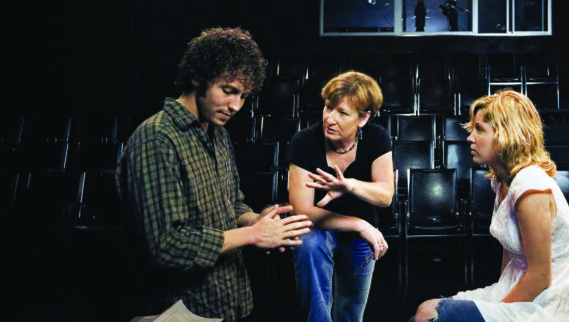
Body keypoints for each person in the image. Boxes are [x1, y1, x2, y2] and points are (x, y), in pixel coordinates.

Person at [116, 27, 312, 321]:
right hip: (177, 309)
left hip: (225, 302)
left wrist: (256, 220)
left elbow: (231, 203)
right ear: (198, 77)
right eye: (228, 91)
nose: (236, 106)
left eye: (244, 96)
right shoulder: (157, 138)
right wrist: (252, 234)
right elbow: (167, 248)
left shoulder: (218, 134)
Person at [410, 89, 569, 322]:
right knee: (425, 311)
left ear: (507, 134)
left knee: (429, 313)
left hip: (546, 305)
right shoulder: (501, 182)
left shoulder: (530, 185)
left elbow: (540, 276)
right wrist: (491, 303)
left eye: (480, 129)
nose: (470, 137)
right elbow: (510, 258)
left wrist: (493, 313)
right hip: (516, 290)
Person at [287, 70, 394, 322]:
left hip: (360, 237)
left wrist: (350, 186)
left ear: (363, 118)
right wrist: (359, 223)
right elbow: (302, 211)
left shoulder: (377, 138)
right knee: (308, 240)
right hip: (321, 228)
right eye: (328, 108)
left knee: (350, 314)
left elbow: (385, 195)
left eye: (342, 113)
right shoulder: (303, 141)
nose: (330, 119)